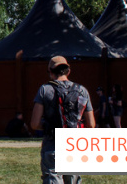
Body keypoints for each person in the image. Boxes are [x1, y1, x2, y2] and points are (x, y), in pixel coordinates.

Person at [30, 56, 95, 184]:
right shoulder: (82, 90)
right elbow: (91, 124)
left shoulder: (45, 90)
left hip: (52, 144)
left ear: (50, 71)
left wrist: (50, 126)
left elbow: (34, 124)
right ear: (68, 71)